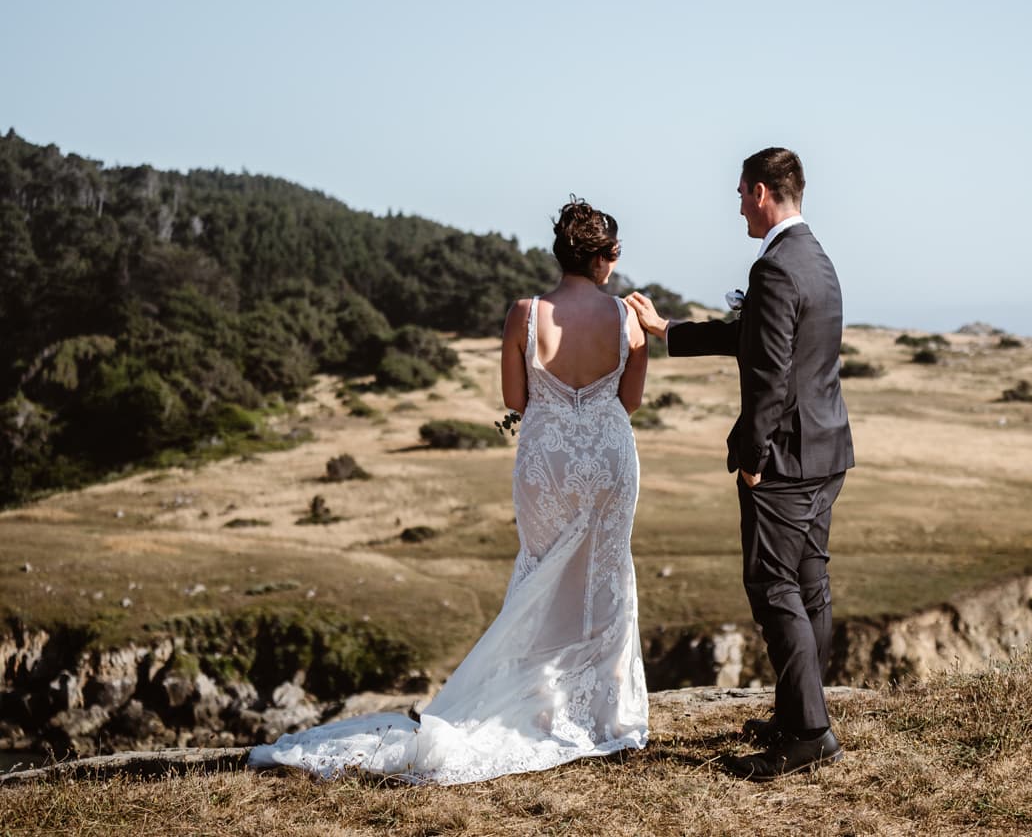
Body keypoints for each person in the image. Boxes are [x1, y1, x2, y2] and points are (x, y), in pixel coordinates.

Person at [250, 198, 650, 784]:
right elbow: (629, 403)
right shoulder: (626, 317)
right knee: (606, 572)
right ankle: (604, 714)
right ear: (604, 257)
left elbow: (517, 401)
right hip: (611, 459)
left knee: (541, 570)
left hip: (547, 463)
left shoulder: (524, 313)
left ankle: (538, 702)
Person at [626, 146, 855, 780]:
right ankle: (796, 713)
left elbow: (769, 375)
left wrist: (753, 456)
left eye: (739, 194)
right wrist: (668, 330)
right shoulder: (817, 259)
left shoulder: (777, 267)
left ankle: (808, 732)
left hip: (785, 459)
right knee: (810, 585)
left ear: (760, 192)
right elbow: (751, 338)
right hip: (827, 450)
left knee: (772, 585)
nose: (737, 207)